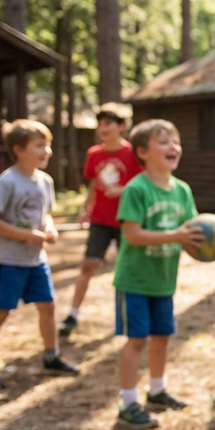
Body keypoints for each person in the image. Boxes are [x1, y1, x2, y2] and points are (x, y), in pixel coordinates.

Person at [0, 120, 80, 392]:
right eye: (40, 145)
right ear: (19, 149)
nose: (47, 151)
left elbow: (45, 215)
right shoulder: (6, 182)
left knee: (48, 306)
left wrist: (49, 229)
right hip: (7, 260)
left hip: (36, 260)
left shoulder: (45, 181)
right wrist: (27, 236)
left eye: (48, 145)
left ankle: (51, 356)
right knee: (0, 313)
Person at [112, 119, 205, 430]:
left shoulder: (183, 190)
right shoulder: (136, 189)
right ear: (142, 152)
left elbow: (190, 233)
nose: (173, 146)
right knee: (137, 339)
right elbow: (134, 235)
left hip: (163, 282)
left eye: (174, 140)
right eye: (163, 141)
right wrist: (176, 237)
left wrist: (207, 246)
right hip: (135, 281)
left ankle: (157, 390)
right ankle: (127, 402)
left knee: (163, 336)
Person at [61, 102, 141, 337]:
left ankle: (129, 315)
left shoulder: (132, 153)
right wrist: (86, 208)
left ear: (122, 127)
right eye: (100, 124)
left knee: (128, 268)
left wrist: (123, 190)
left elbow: (142, 184)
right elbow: (94, 183)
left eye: (108, 124)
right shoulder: (94, 154)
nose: (103, 129)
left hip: (127, 220)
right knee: (88, 264)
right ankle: (73, 314)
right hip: (101, 219)